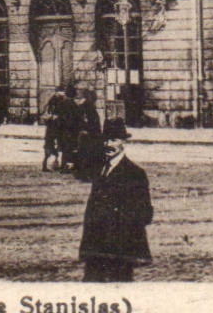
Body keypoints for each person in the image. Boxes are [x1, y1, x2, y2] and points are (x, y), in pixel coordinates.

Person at [77, 118, 151, 282]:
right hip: (96, 246)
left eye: (114, 139)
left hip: (120, 249)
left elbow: (145, 213)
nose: (109, 144)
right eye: (106, 139)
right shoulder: (101, 169)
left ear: (124, 141)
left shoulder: (135, 173)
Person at [73, 87, 104, 180]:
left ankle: (82, 173)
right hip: (89, 134)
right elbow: (85, 120)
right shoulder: (88, 106)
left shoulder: (85, 105)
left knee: (84, 153)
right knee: (88, 154)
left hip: (88, 133)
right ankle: (85, 174)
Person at [42, 86, 74, 172]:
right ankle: (61, 166)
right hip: (58, 127)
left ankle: (48, 165)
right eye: (62, 92)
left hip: (53, 126)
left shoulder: (52, 100)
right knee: (62, 146)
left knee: (51, 145)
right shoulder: (61, 101)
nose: (63, 93)